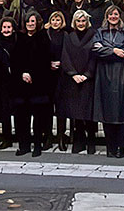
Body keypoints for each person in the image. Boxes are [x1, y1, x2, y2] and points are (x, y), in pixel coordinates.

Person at [92, 6, 124, 158]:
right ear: (107, 15)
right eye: (110, 14)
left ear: (120, 16)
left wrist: (108, 50)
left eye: (116, 14)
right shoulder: (100, 32)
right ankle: (110, 147)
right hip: (104, 74)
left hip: (122, 74)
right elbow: (96, 49)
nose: (113, 16)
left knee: (122, 112)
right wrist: (113, 51)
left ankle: (121, 147)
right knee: (107, 112)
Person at [11, 11, 53, 157]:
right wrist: (22, 73)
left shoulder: (43, 38)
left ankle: (37, 145)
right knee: (22, 117)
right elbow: (15, 59)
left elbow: (44, 60)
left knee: (38, 117)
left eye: (33, 22)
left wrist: (32, 74)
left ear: (38, 23)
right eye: (28, 21)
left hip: (38, 83)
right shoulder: (20, 38)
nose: (30, 24)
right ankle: (24, 145)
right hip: (21, 83)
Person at [59, 10, 98, 154]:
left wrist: (87, 74)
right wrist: (73, 74)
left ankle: (91, 141)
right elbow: (65, 56)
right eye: (78, 21)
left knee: (89, 112)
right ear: (74, 22)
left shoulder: (94, 36)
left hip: (89, 79)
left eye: (83, 21)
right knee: (76, 112)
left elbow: (95, 57)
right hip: (73, 79)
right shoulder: (69, 37)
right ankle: (79, 141)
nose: (81, 24)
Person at [0, 16, 19, 149]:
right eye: (4, 27)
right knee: (5, 110)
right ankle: (6, 138)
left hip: (17, 79)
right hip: (2, 79)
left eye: (9, 27)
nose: (6, 30)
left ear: (13, 29)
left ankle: (21, 136)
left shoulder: (18, 40)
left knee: (19, 109)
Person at [46, 11, 70, 151]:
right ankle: (49, 136)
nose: (56, 22)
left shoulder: (65, 35)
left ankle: (61, 136)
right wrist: (49, 63)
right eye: (53, 19)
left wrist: (62, 63)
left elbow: (69, 52)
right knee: (48, 106)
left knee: (62, 107)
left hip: (62, 74)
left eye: (58, 20)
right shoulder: (46, 34)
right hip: (48, 74)